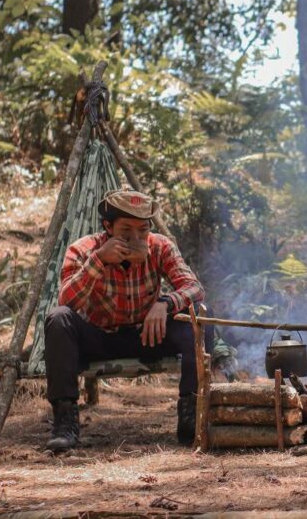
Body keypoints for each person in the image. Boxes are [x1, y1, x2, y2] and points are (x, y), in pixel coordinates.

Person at [44, 188, 206, 451]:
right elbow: (67, 301)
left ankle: (191, 416)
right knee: (59, 319)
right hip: (100, 337)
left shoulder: (160, 246)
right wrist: (99, 261)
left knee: (199, 316)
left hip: (147, 335)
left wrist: (165, 304)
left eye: (143, 230)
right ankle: (65, 423)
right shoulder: (84, 249)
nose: (136, 239)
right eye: (126, 231)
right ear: (108, 227)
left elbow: (194, 287)